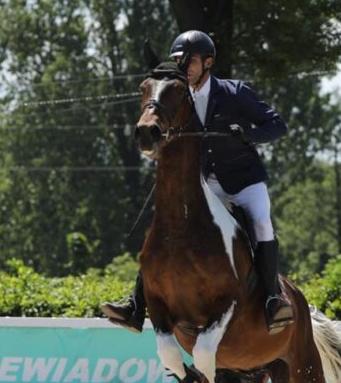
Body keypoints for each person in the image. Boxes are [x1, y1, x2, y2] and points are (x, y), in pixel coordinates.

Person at [102, 30, 293, 334]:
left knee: (261, 224)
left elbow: (277, 125)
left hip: (244, 182)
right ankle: (136, 304)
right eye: (178, 60)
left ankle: (272, 298)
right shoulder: (176, 95)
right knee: (169, 229)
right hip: (207, 184)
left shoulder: (234, 92)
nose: (183, 66)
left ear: (208, 62)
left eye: (189, 61)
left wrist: (249, 135)